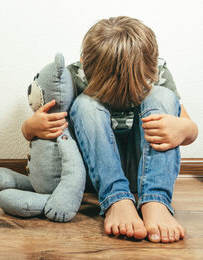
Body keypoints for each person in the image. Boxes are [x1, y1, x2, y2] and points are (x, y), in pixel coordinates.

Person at [22, 16, 198, 243]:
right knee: (85, 104)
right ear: (83, 62)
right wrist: (30, 127)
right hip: (96, 173)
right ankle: (117, 200)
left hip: (143, 170)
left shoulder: (158, 75)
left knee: (163, 96)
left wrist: (183, 129)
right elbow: (34, 134)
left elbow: (190, 129)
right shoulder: (74, 77)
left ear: (152, 67)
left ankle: (155, 201)